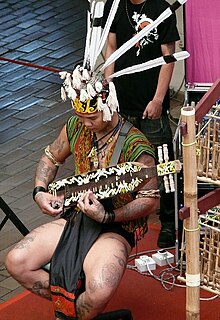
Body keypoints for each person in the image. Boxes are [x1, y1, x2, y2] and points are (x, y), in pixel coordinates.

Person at [5, 66, 159, 320]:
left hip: (116, 226)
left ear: (109, 105)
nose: (85, 124)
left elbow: (150, 202)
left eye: (93, 118)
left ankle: (73, 313)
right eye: (81, 117)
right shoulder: (77, 125)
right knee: (16, 261)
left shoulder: (136, 146)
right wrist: (39, 191)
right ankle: (75, 311)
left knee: (99, 289)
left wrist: (107, 216)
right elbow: (51, 157)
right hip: (78, 217)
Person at [103, 0, 180, 248]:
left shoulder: (162, 10)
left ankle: (169, 222)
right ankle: (122, 218)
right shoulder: (114, 6)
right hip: (122, 104)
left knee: (163, 165)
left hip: (151, 105)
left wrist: (158, 100)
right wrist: (109, 86)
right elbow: (111, 46)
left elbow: (169, 58)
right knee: (121, 164)